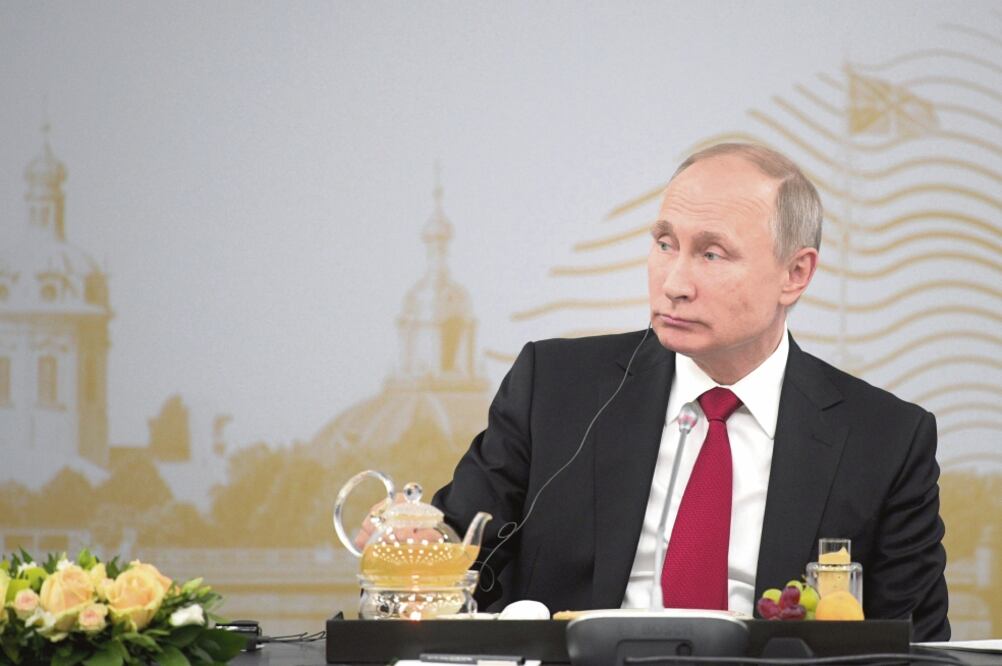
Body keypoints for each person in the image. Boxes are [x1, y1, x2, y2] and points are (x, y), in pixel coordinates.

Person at [425, 143, 949, 641]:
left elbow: (914, 645)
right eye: (665, 244)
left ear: (795, 273)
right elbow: (452, 563)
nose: (674, 283)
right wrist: (416, 547)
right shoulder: (554, 387)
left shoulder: (886, 440)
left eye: (712, 254)